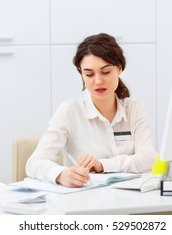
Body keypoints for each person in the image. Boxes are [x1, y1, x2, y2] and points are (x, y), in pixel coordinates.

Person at [26, 33, 158, 187]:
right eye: (89, 74)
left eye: (106, 72)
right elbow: (34, 163)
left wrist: (102, 165)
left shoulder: (133, 108)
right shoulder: (70, 111)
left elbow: (150, 159)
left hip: (129, 198)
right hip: (85, 200)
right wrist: (61, 175)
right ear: (82, 74)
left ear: (119, 68)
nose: (98, 81)